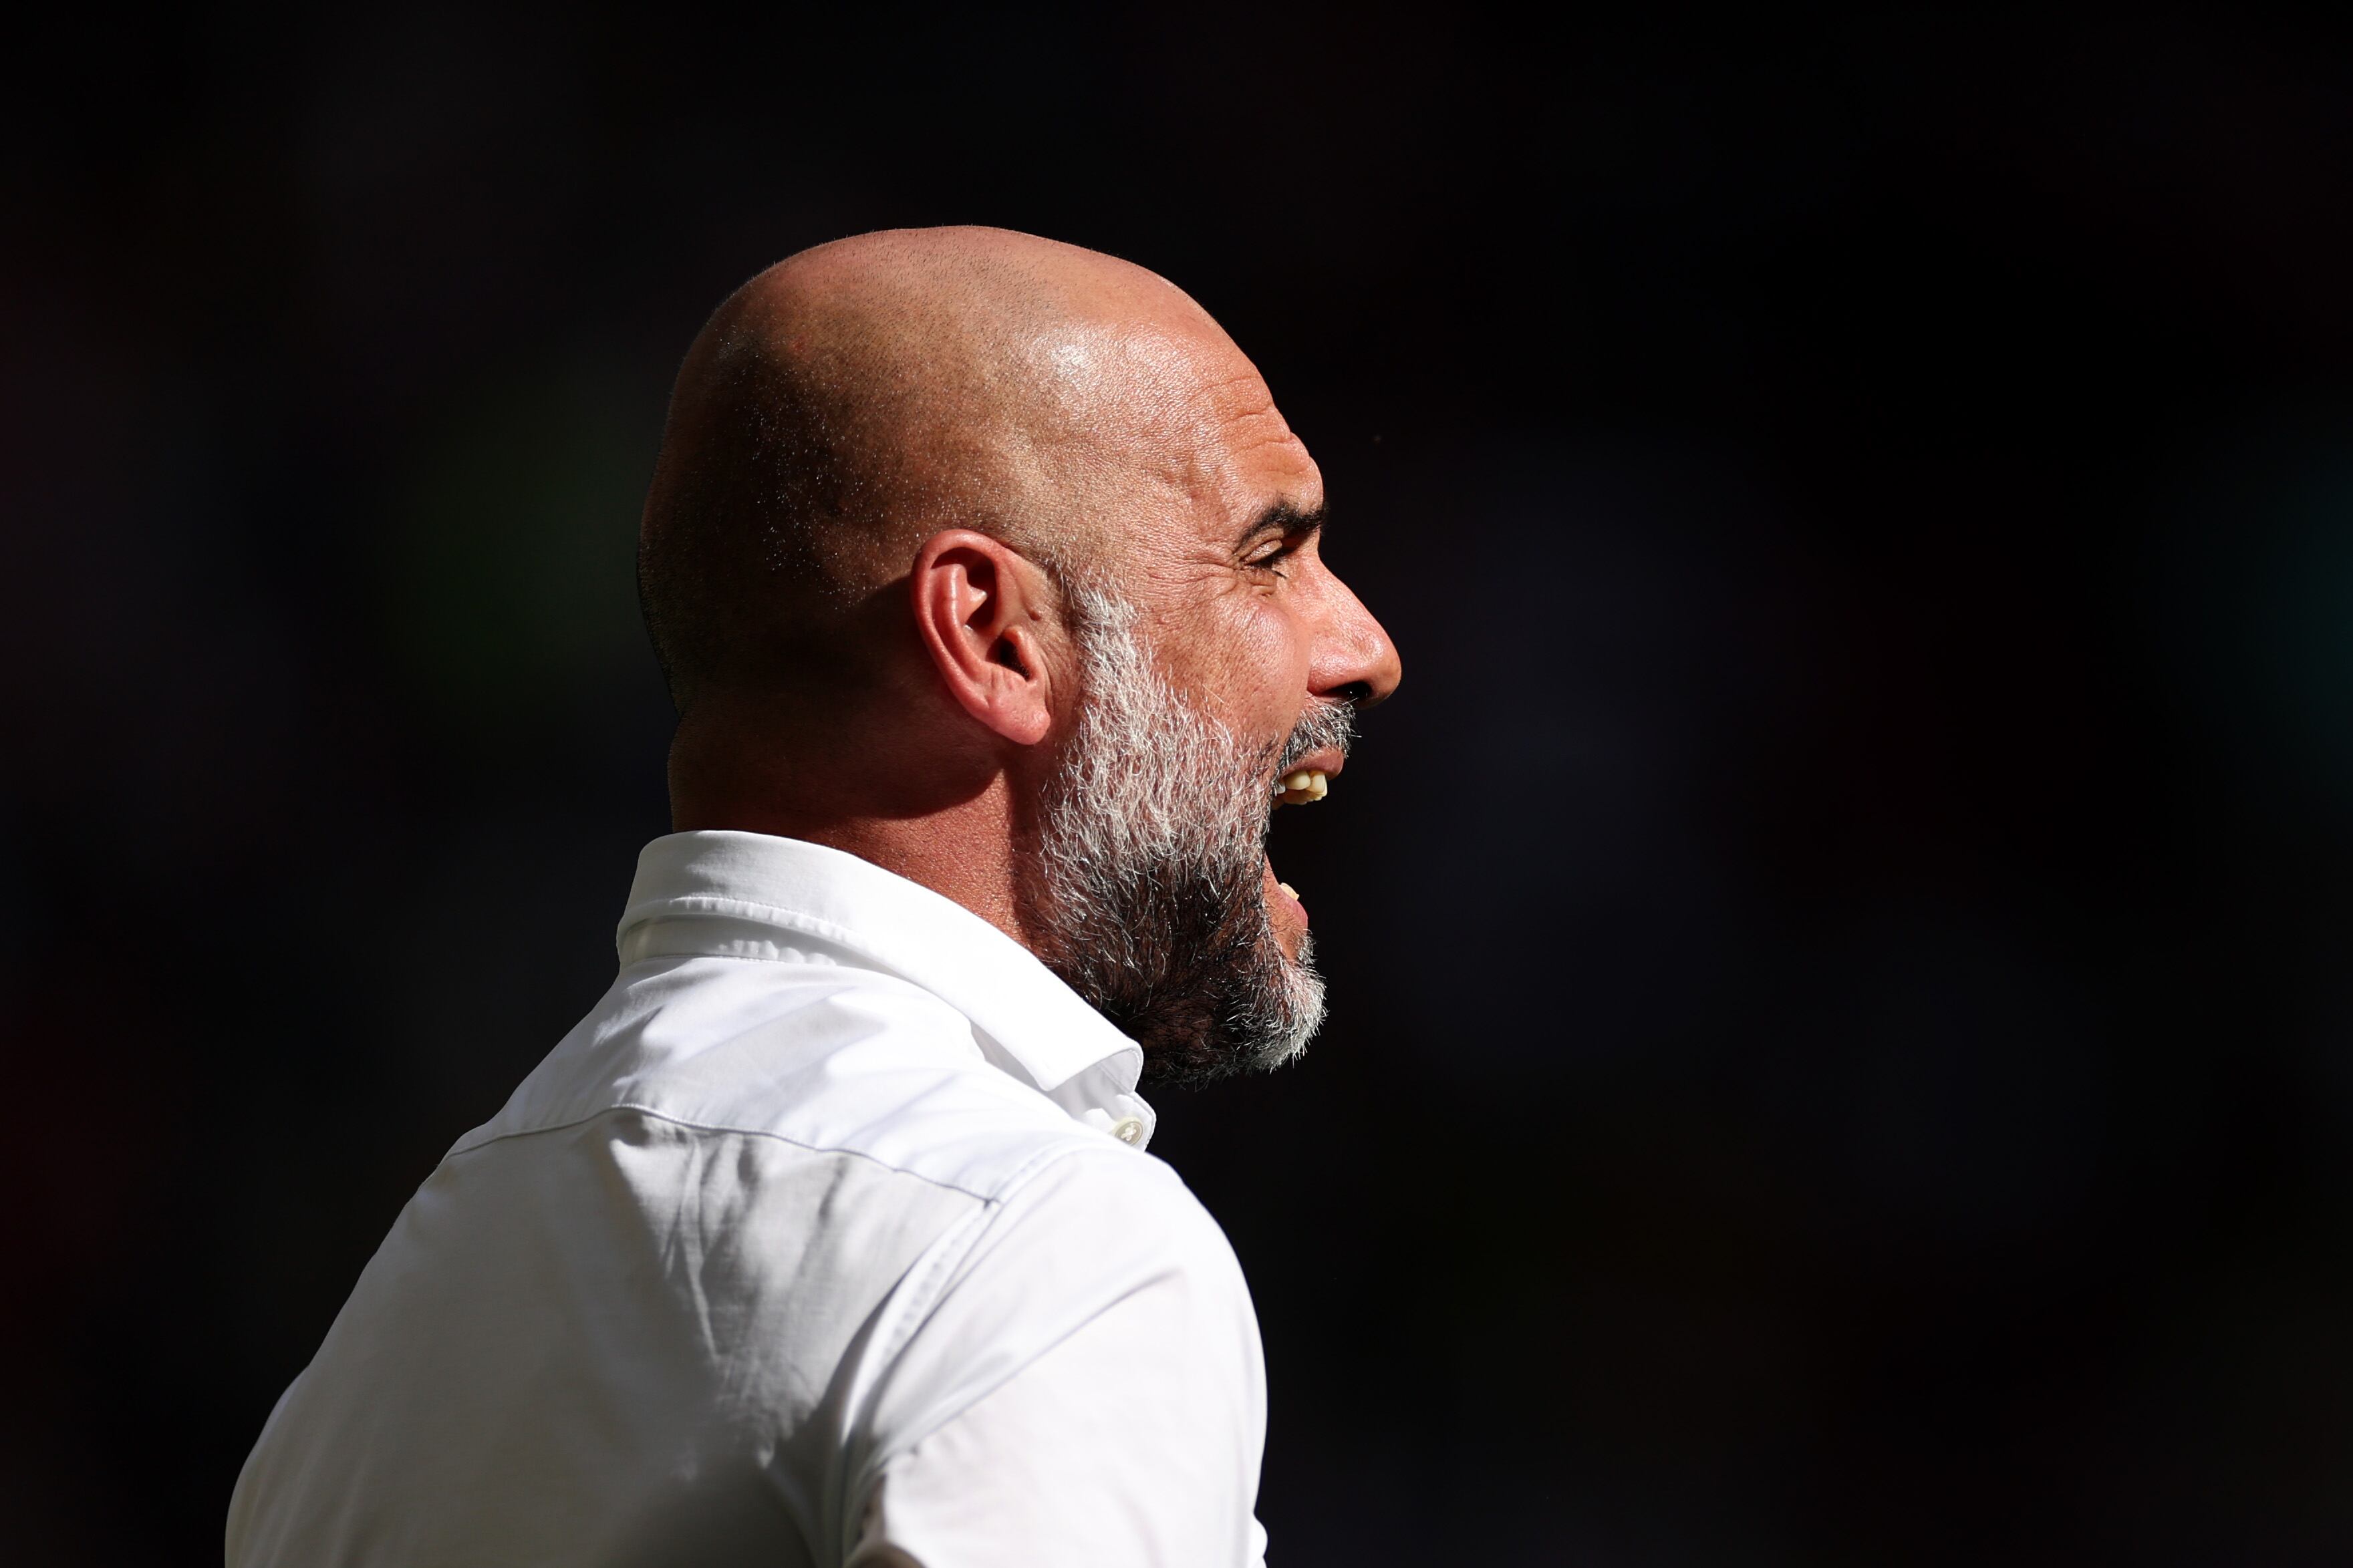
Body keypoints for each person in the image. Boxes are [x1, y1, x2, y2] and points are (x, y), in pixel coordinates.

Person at [226, 226, 1401, 1567]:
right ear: (994, 637)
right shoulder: (1042, 1250)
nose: (1365, 645)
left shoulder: (396, 1324)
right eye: (1269, 556)